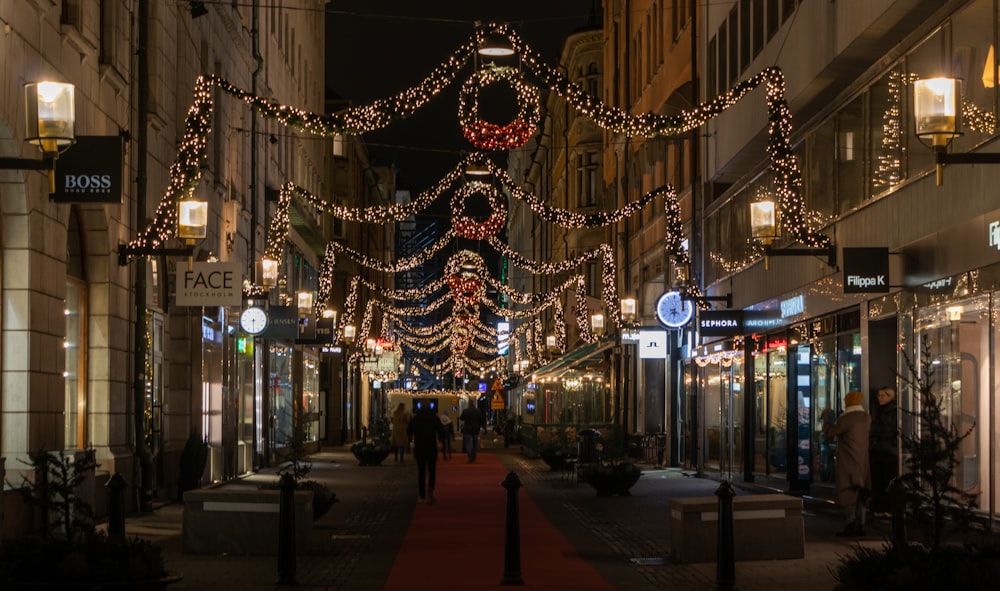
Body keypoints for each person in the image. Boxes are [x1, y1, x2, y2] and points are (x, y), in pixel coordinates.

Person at [823, 390, 871, 537]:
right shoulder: (866, 417)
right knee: (861, 492)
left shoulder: (847, 418)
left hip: (848, 460)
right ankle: (861, 524)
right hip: (862, 459)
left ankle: (850, 524)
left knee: (848, 491)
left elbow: (831, 432)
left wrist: (826, 419)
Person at [868, 386, 899, 517]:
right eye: (879, 395)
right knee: (877, 480)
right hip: (877, 450)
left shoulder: (893, 412)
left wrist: (892, 444)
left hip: (888, 451)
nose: (880, 398)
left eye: (883, 395)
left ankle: (886, 507)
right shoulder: (876, 411)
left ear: (890, 397)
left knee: (887, 480)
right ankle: (879, 507)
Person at [407, 405, 446, 504]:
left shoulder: (416, 418)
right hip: (431, 447)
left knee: (421, 472)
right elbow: (441, 430)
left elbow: (409, 429)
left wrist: (410, 438)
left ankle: (422, 496)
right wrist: (440, 439)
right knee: (432, 471)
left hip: (419, 447)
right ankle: (431, 491)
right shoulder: (434, 418)